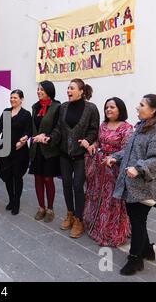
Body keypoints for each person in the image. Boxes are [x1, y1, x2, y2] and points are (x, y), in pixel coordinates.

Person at [105, 94, 156, 276]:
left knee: (137, 220)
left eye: (142, 105)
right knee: (136, 218)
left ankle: (135, 259)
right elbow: (130, 150)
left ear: (152, 111)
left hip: (147, 185)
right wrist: (116, 157)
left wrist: (139, 168)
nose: (137, 107)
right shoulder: (143, 126)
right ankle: (146, 250)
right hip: (133, 183)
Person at [35, 78, 100, 238]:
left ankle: (79, 219)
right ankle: (70, 214)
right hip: (64, 154)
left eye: (71, 88)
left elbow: (94, 129)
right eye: (68, 88)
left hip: (80, 155)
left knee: (78, 186)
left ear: (81, 91)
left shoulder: (91, 108)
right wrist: (50, 138)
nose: (68, 91)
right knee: (66, 184)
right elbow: (58, 129)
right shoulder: (63, 107)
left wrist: (88, 140)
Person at [84, 98, 133, 247]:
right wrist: (93, 145)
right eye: (106, 107)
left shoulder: (127, 128)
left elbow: (127, 150)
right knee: (97, 195)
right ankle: (97, 226)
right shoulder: (103, 125)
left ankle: (111, 231)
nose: (108, 110)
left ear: (120, 109)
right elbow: (99, 142)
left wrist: (113, 158)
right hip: (100, 168)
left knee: (112, 200)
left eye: (112, 107)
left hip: (115, 170)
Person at [29, 81, 61, 222]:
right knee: (38, 178)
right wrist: (28, 137)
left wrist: (47, 137)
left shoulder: (57, 107)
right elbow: (33, 128)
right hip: (36, 149)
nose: (38, 91)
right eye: (38, 89)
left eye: (41, 89)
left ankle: (50, 209)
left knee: (48, 179)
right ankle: (41, 207)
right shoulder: (35, 107)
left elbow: (58, 128)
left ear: (49, 91)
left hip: (50, 149)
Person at [0, 89, 32, 215]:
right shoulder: (6, 112)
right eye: (11, 97)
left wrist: (24, 139)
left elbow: (29, 131)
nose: (12, 100)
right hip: (5, 150)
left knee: (17, 177)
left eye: (15, 98)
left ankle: (16, 202)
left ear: (21, 100)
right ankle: (11, 199)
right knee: (7, 176)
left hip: (19, 151)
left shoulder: (26, 114)